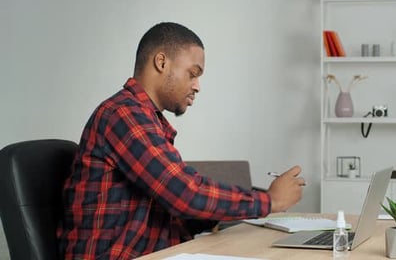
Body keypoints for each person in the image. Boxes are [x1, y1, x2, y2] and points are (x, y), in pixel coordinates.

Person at [57, 22, 305, 259]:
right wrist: (270, 200)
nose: (198, 86)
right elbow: (185, 194)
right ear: (162, 62)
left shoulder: (147, 120)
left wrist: (224, 207)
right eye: (193, 74)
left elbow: (174, 205)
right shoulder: (123, 114)